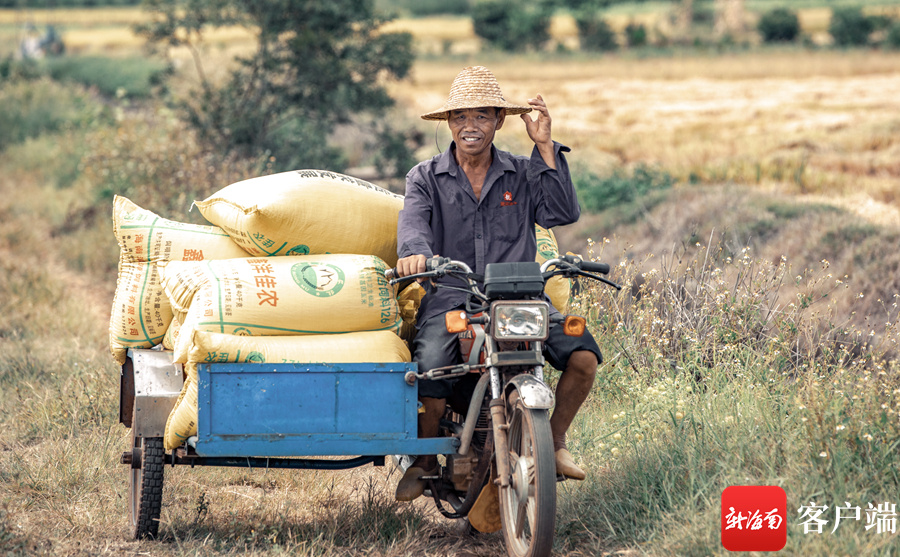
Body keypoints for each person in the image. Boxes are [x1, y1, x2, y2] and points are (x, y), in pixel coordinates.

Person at [394, 66, 603, 501]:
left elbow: (560, 213)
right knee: (429, 368)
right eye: (462, 117)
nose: (471, 126)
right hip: (453, 297)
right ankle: (426, 461)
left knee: (583, 356)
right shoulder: (425, 177)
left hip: (521, 297)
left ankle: (556, 442)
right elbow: (413, 227)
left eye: (483, 116)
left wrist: (544, 145)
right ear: (449, 123)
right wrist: (414, 253)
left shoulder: (522, 172)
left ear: (499, 121)